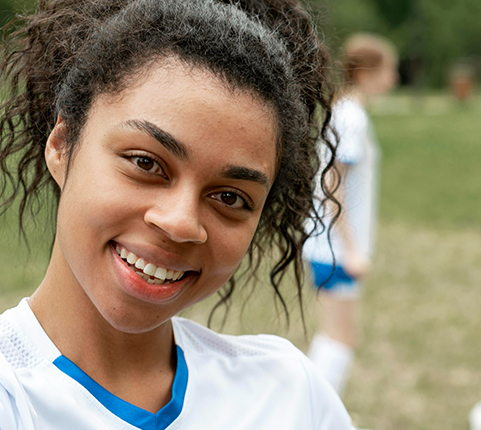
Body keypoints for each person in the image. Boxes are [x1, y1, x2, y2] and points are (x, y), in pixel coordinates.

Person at [0, 0, 354, 428]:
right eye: (146, 163)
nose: (182, 223)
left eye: (229, 197)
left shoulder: (290, 396)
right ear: (62, 144)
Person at [304, 33, 398, 396]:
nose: (394, 78)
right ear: (367, 72)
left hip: (326, 246)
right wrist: (352, 249)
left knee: (335, 336)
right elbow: (332, 186)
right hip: (333, 249)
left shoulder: (344, 112)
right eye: (389, 69)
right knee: (341, 338)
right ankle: (314, 416)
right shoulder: (352, 118)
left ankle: (310, 414)